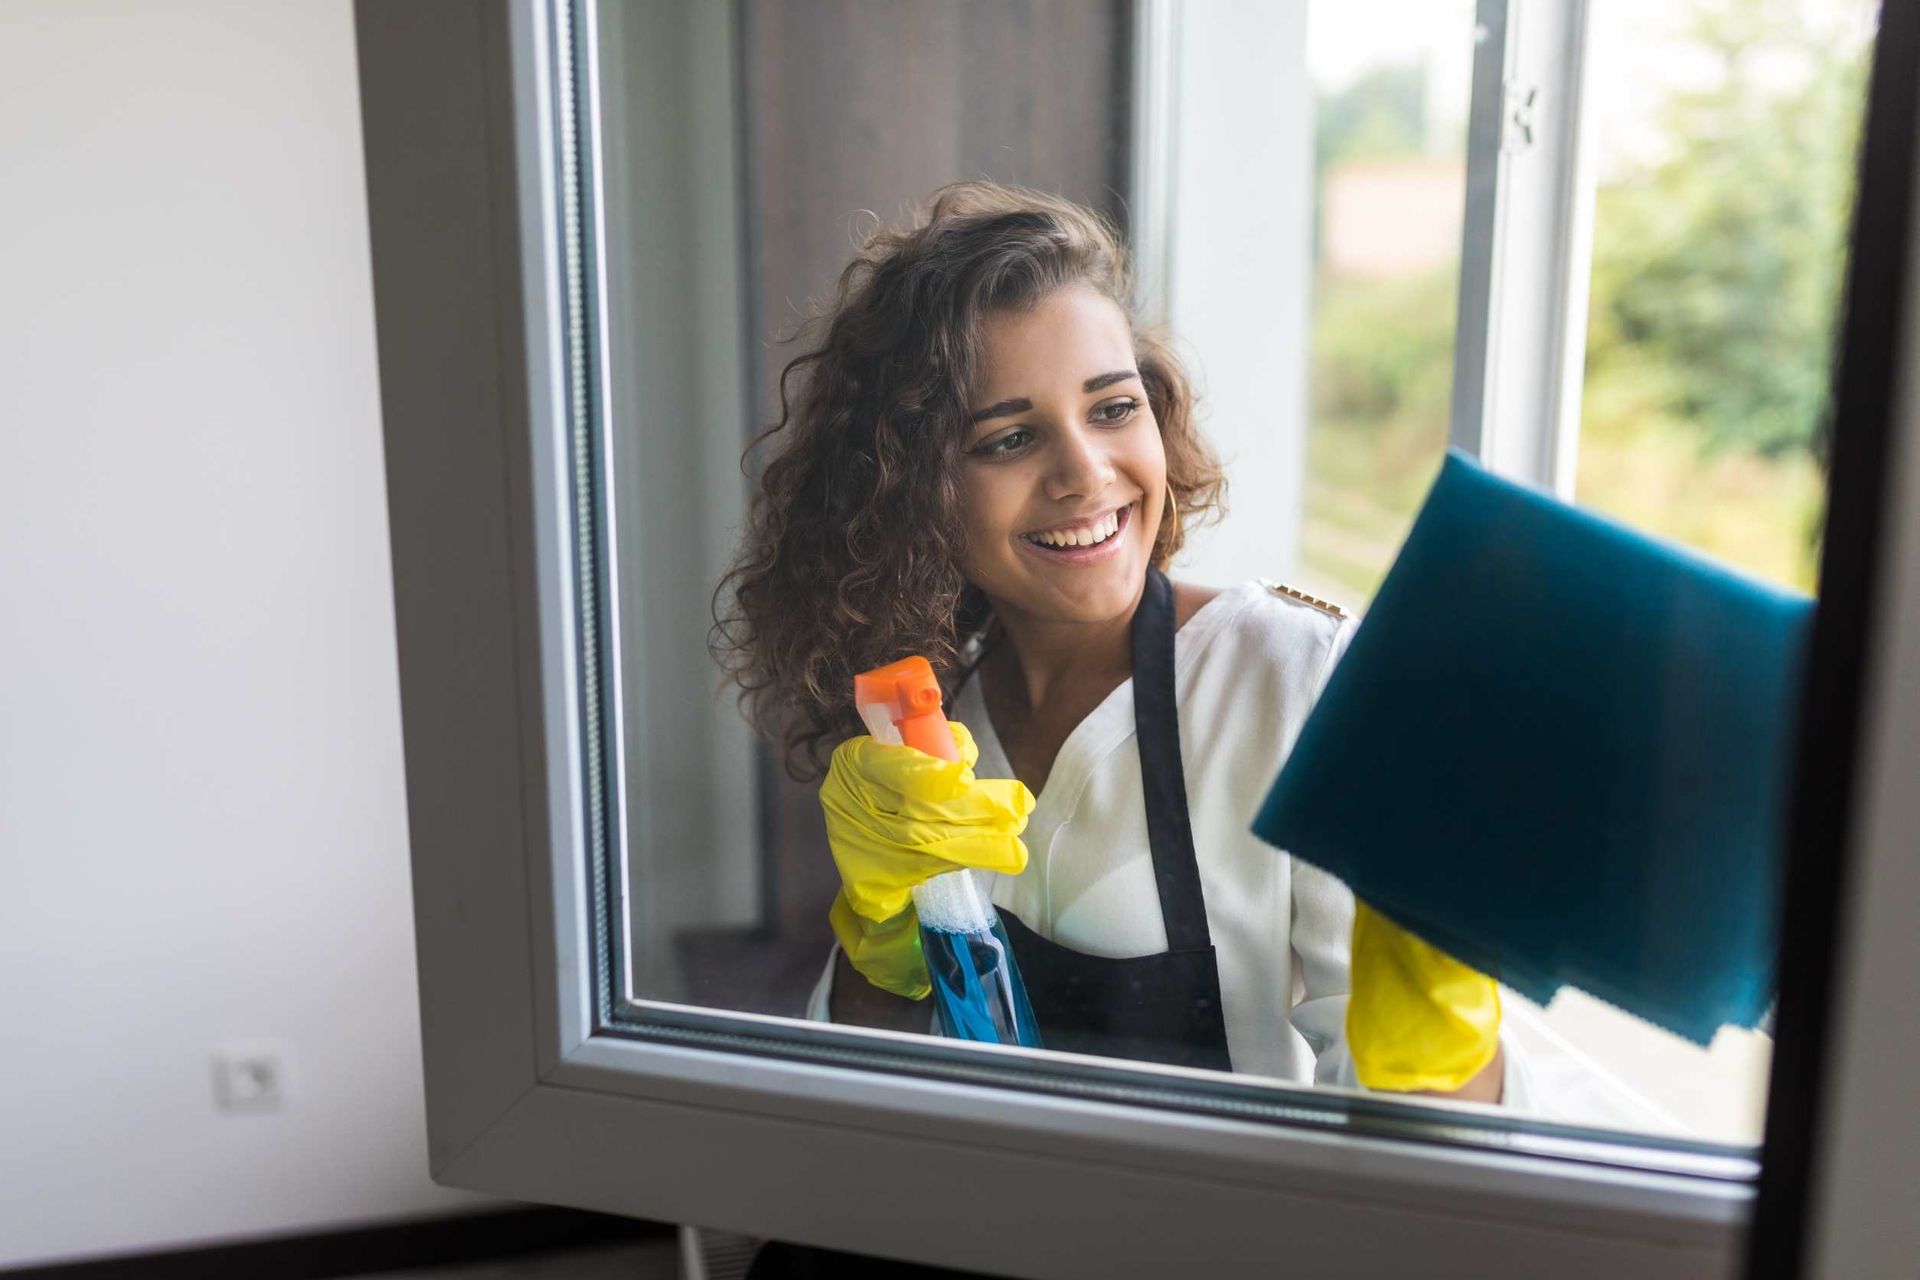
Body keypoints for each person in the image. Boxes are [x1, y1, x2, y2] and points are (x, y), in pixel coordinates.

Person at [714, 180, 1526, 1104]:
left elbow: (1430, 1146)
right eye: (1009, 439)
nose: (1084, 474)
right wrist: (879, 934)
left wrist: (1444, 1013)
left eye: (1112, 409)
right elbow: (857, 1104)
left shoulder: (1295, 681)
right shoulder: (934, 739)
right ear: (910, 493)